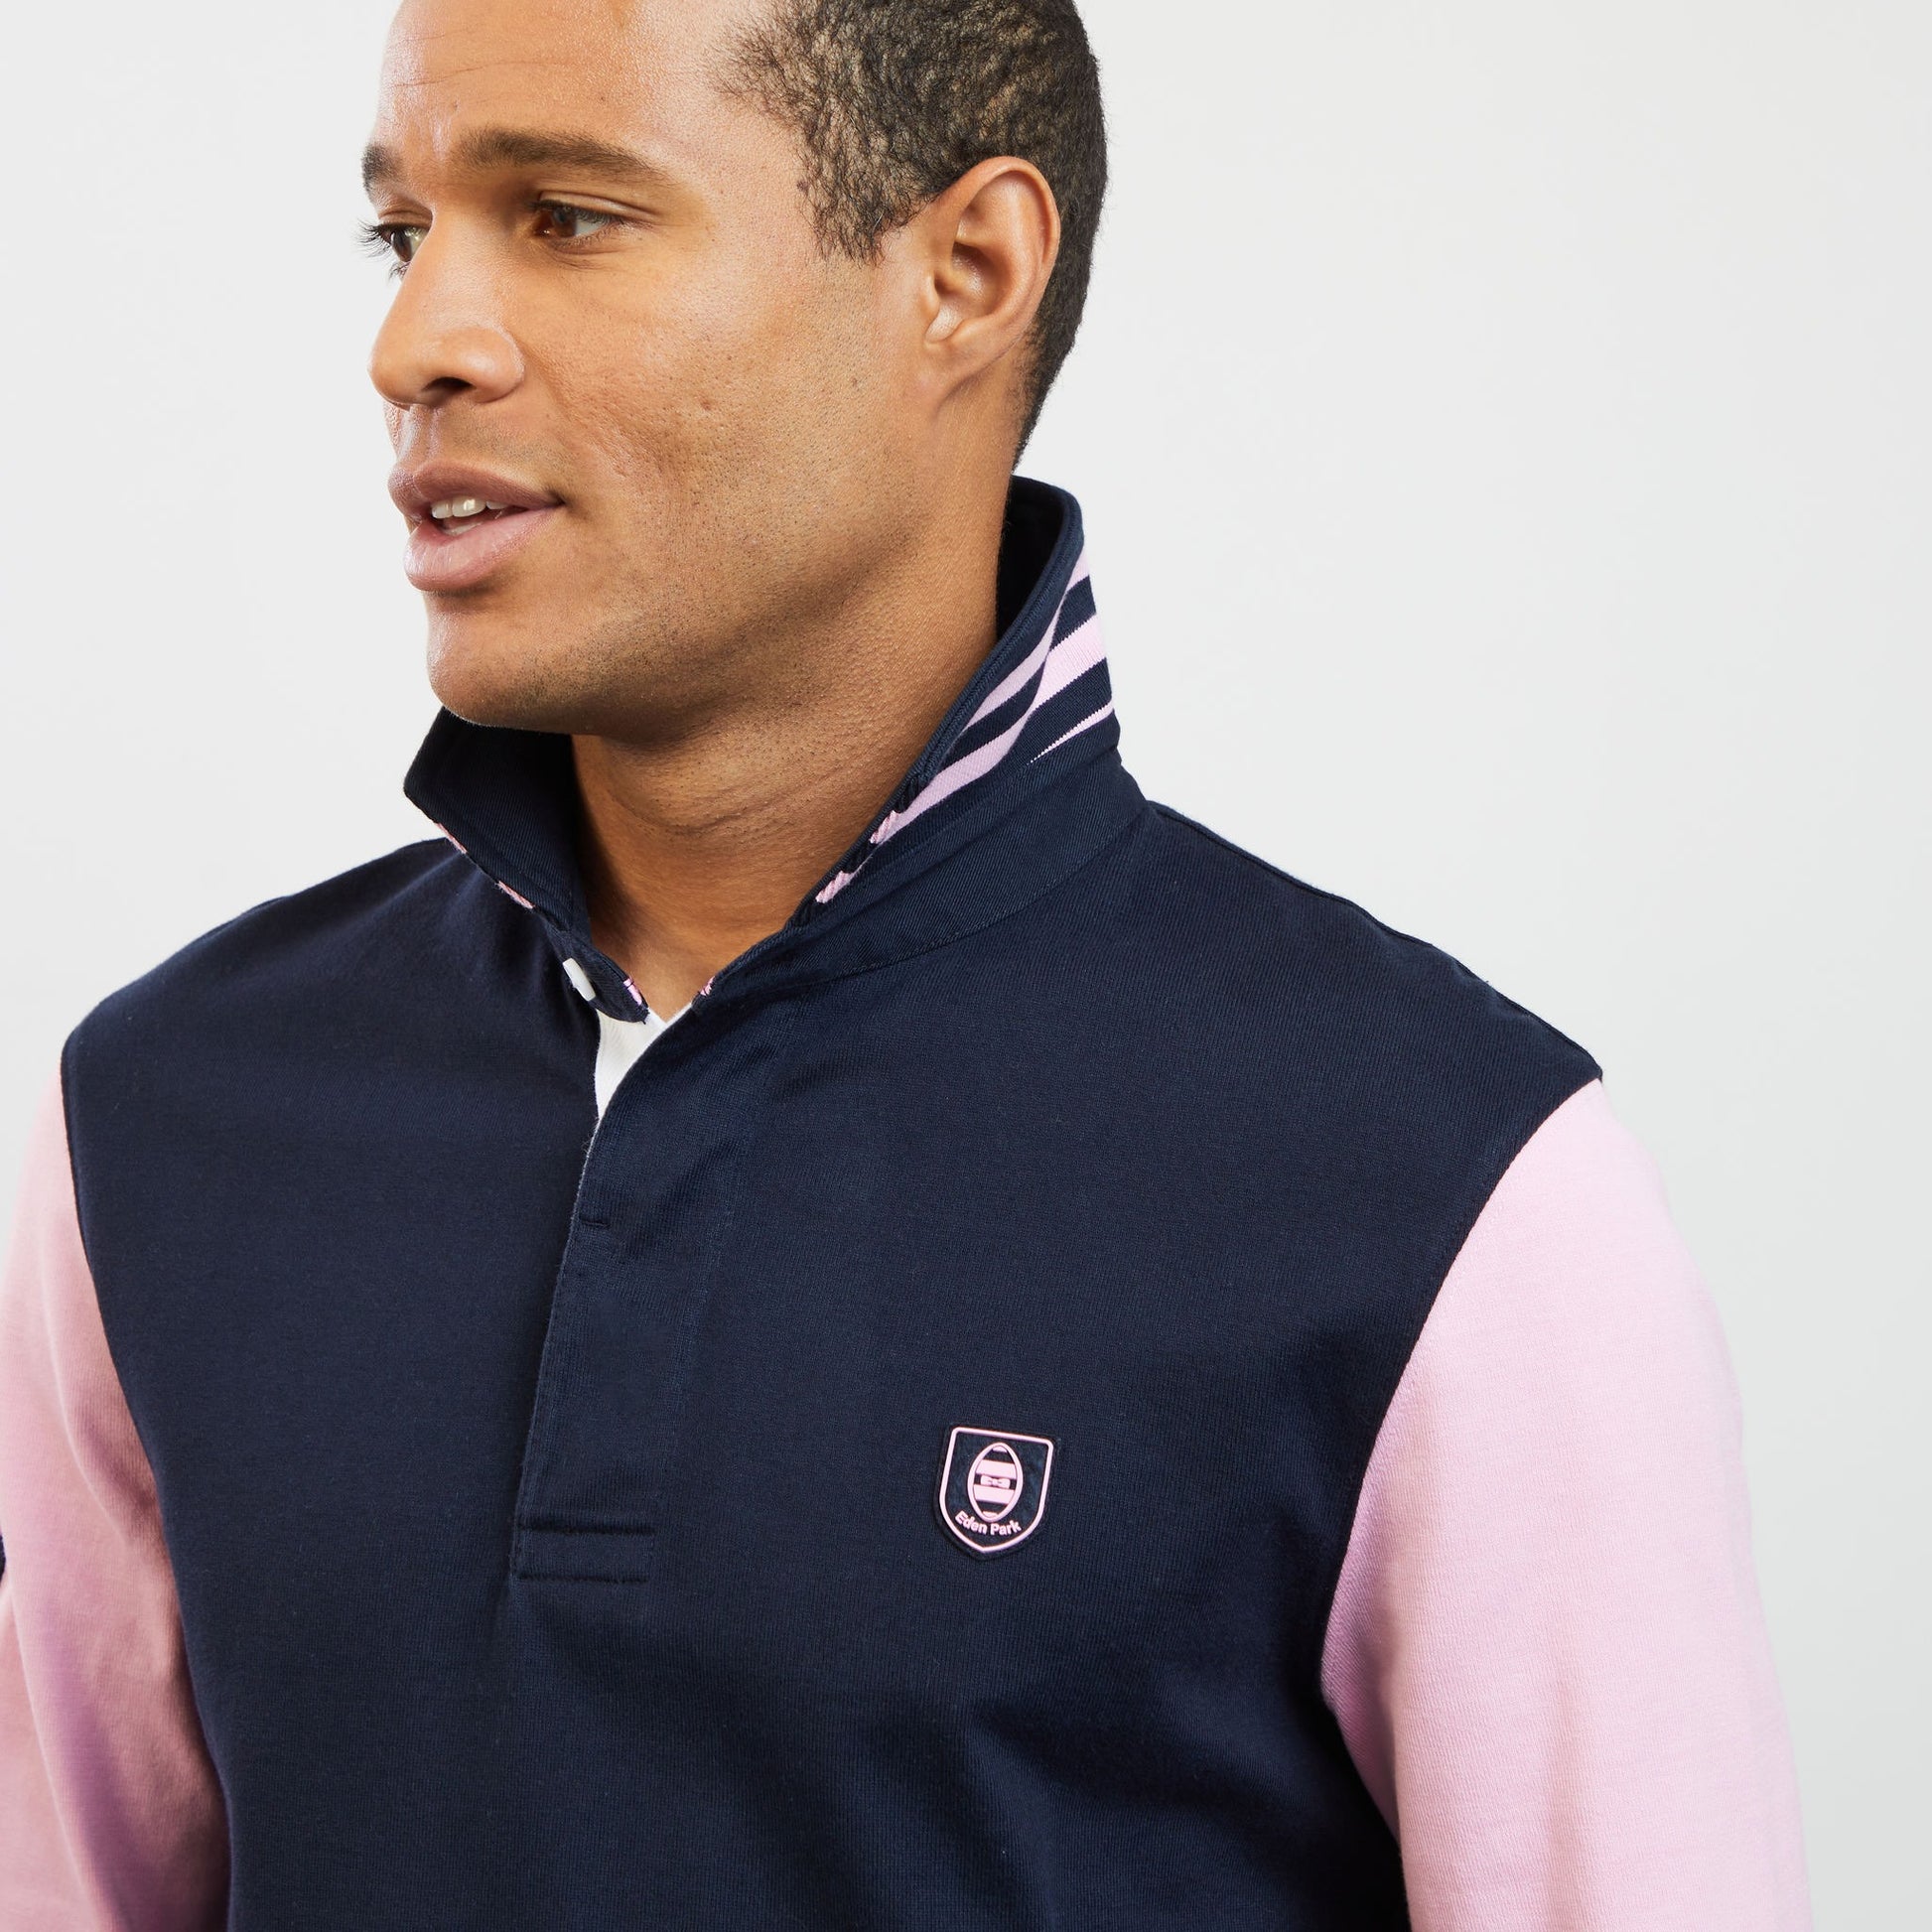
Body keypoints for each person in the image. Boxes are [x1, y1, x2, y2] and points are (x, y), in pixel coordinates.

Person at [0, 0, 1810, 1924]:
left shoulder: (1453, 1191)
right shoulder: (157, 1124)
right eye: (402, 233)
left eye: (569, 217)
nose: (415, 342)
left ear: (965, 274)